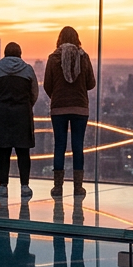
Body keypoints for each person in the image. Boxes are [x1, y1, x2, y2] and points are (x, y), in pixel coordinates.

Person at [44, 27, 96, 197]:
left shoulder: (53, 58)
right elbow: (91, 84)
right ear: (77, 39)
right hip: (80, 107)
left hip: (58, 108)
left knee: (59, 146)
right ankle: (77, 188)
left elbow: (47, 85)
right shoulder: (84, 57)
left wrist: (58, 95)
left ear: (59, 39)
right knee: (78, 146)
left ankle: (58, 187)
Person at [0, 41, 38, 200]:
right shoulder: (28, 70)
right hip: (22, 114)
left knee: (2, 152)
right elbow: (34, 93)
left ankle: (3, 186)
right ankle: (25, 186)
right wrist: (26, 106)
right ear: (20, 54)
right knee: (23, 152)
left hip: (1, 114)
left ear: (5, 54)